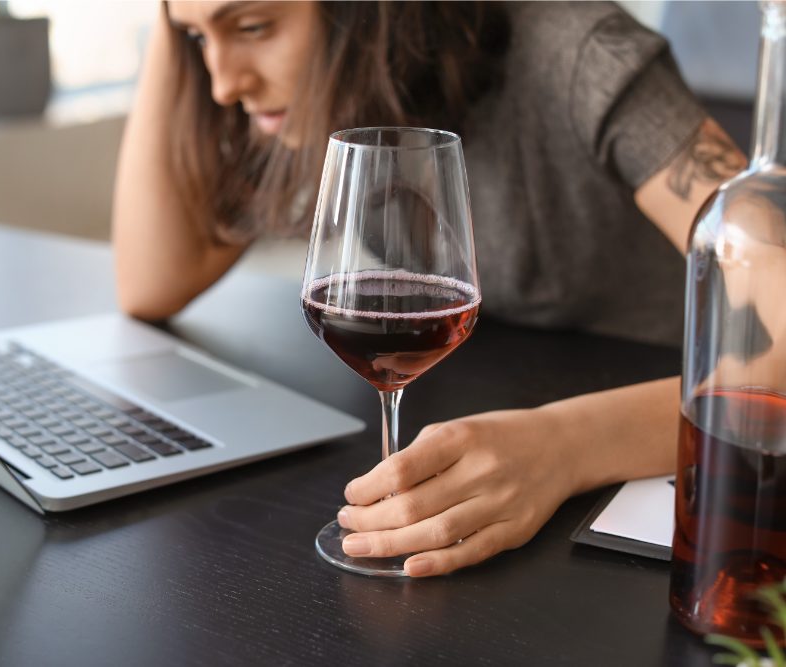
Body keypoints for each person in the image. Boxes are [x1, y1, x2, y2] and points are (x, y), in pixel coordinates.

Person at [112, 1, 748, 577]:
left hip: (691, 476)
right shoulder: (317, 103)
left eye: (253, 26)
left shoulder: (580, 51)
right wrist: (173, 20)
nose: (224, 84)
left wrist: (564, 445)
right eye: (198, 37)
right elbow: (150, 281)